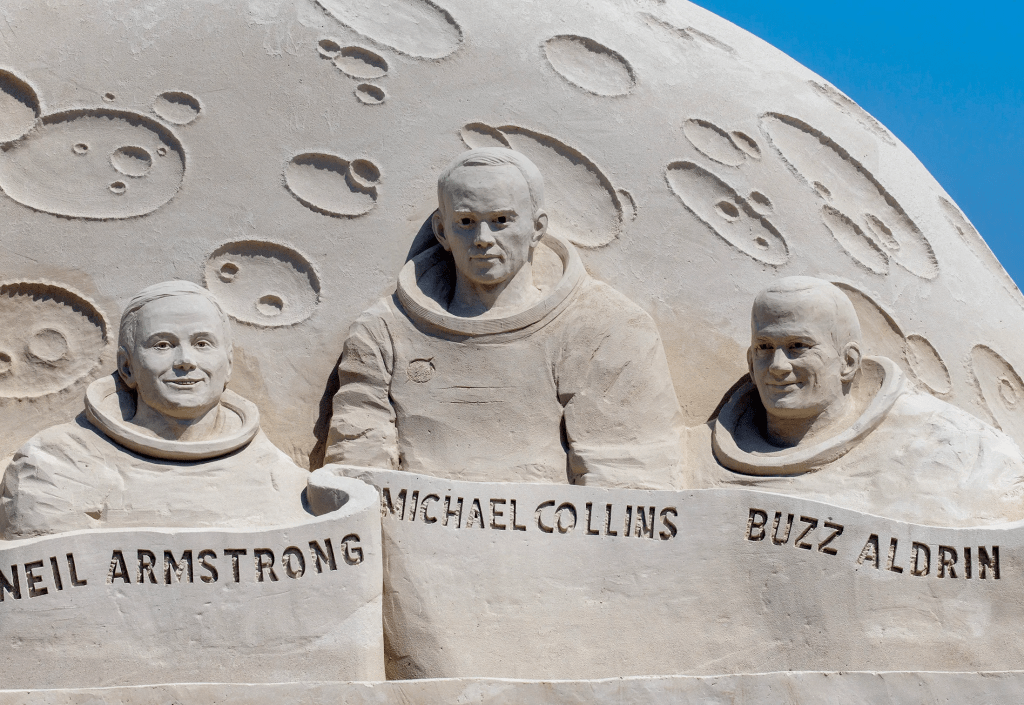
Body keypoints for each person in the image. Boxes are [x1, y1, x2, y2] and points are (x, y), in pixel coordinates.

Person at [326, 148, 684, 487]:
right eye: (466, 221)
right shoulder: (383, 332)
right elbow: (356, 475)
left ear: (537, 228)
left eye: (501, 221)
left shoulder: (606, 328)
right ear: (442, 231)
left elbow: (629, 488)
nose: (483, 238)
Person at [688, 276, 1024, 526]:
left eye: (797, 347)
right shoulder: (691, 455)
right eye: (764, 348)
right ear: (750, 362)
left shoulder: (957, 451)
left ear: (848, 362)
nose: (777, 366)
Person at [0, 281, 310, 538]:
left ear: (228, 364)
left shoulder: (282, 479)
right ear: (127, 367)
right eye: (162, 345)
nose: (185, 360)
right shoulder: (57, 462)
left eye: (203, 344)